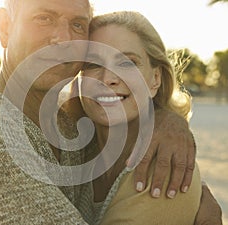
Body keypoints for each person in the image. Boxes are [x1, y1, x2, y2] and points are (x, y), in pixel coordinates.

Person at [0, 0, 222, 224]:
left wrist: (165, 119)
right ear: (5, 27)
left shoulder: (69, 125)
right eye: (44, 18)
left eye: (79, 25)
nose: (64, 38)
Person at [66, 10, 215, 224]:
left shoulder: (167, 171)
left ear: (155, 79)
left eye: (127, 63)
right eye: (92, 64)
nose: (108, 78)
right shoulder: (71, 154)